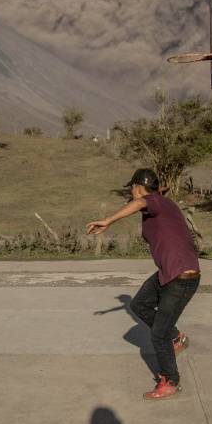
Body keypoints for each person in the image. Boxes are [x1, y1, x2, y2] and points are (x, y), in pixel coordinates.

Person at [86, 168, 200, 400]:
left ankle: (171, 381)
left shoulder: (154, 201)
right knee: (139, 305)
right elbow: (148, 200)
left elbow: (142, 202)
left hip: (182, 276)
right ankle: (176, 337)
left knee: (158, 334)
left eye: (132, 187)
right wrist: (109, 309)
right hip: (167, 274)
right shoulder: (160, 203)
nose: (130, 191)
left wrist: (108, 220)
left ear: (137, 187)